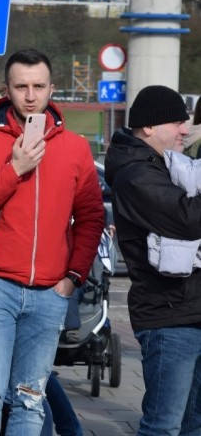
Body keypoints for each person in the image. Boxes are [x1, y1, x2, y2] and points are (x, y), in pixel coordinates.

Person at [0, 48, 104, 435]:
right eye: (21, 86)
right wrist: (15, 169)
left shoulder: (74, 147)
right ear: (6, 89)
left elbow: (92, 216)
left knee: (30, 399)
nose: (30, 95)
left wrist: (71, 277)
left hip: (50, 292)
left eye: (38, 86)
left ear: (51, 89)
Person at [104, 84, 201, 436]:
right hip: (168, 316)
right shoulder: (135, 174)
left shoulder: (163, 167)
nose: (185, 129)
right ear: (148, 126)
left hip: (189, 311)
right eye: (177, 122)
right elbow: (188, 218)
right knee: (163, 426)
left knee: (194, 425)